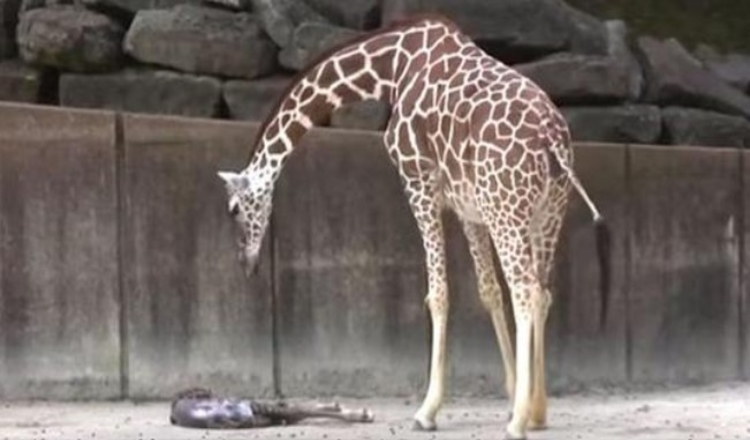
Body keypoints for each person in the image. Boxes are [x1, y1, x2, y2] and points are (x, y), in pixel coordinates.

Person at [170, 387, 375, 429]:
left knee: (286, 416)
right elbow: (216, 400)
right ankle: (345, 415)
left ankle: (325, 407)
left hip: (239, 423)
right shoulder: (189, 399)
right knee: (289, 413)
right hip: (238, 412)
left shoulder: (179, 415)